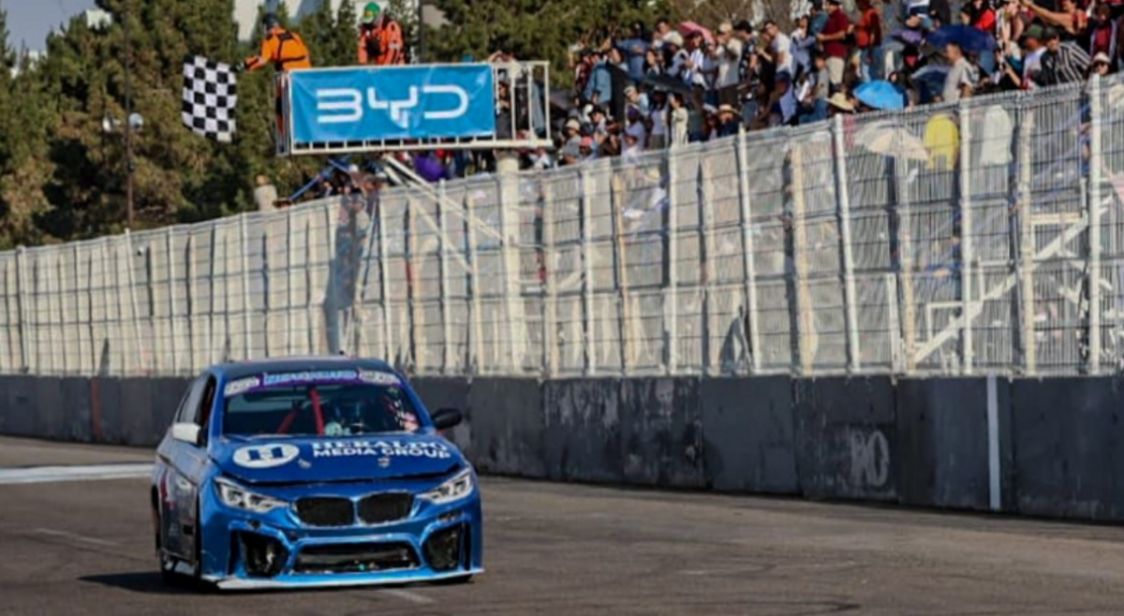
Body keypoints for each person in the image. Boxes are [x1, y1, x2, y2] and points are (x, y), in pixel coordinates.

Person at [244, 13, 311, 72]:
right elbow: (306, 54)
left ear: (266, 26)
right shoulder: (293, 35)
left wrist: (248, 65)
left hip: (288, 73)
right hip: (304, 72)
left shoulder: (269, 40)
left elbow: (262, 60)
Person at [818, 0, 853, 88]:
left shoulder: (840, 16)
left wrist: (825, 37)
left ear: (835, 5)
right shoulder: (827, 18)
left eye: (828, 5)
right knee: (823, 86)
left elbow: (842, 34)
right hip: (826, 56)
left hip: (836, 56)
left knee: (835, 85)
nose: (827, 7)